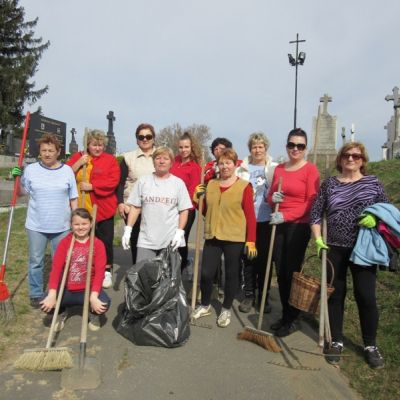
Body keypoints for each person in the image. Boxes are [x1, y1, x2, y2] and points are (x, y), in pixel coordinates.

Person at [310, 142, 389, 369]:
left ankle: (370, 346)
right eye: (347, 155)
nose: (351, 159)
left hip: (364, 248)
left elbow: (387, 211)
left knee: (365, 295)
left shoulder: (373, 183)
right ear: (340, 159)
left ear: (363, 159)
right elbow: (316, 213)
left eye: (356, 156)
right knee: (336, 295)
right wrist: (317, 239)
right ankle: (336, 341)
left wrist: (376, 219)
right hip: (334, 247)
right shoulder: (330, 184)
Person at [192, 148, 257, 328]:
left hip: (234, 237)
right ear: (217, 165)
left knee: (231, 275)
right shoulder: (211, 184)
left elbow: (250, 216)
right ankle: (205, 304)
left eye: (228, 162)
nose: (225, 166)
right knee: (206, 273)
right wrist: (197, 197)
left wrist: (251, 240)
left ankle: (226, 308)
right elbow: (205, 210)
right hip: (213, 234)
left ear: (235, 164)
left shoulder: (244, 186)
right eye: (221, 163)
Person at [12, 133, 78, 308]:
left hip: (62, 225)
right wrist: (16, 180)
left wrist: (75, 220)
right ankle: (35, 293)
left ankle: (57, 291)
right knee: (36, 260)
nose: (47, 153)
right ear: (39, 152)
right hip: (36, 225)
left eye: (51, 150)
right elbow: (20, 194)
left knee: (60, 261)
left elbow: (73, 198)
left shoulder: (67, 171)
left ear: (58, 152)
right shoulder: (31, 169)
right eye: (44, 150)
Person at [267, 128, 320, 337]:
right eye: (291, 145)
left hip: (298, 225)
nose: (295, 149)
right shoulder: (279, 169)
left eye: (300, 146)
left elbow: (311, 203)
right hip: (278, 223)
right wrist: (274, 199)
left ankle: (293, 317)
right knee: (280, 270)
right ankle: (286, 314)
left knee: (291, 270)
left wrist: (287, 216)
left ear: (305, 148)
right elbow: (270, 196)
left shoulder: (310, 170)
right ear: (287, 146)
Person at [40, 208, 110, 331]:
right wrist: (51, 294)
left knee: (104, 303)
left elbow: (100, 274)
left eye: (84, 224)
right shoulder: (65, 243)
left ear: (91, 224)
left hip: (88, 290)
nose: (80, 227)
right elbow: (56, 270)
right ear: (71, 225)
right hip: (67, 290)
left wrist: (94, 297)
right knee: (44, 303)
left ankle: (93, 314)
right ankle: (61, 312)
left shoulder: (98, 244)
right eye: (76, 224)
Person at [67, 129, 120, 289]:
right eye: (94, 145)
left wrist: (92, 186)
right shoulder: (79, 157)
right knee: (84, 240)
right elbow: (65, 174)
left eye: (100, 145)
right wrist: (78, 164)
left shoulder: (110, 160)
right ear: (88, 145)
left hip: (103, 208)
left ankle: (106, 270)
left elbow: (113, 181)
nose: (98, 148)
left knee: (105, 240)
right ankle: (86, 268)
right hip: (82, 208)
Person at [121, 146, 192, 262]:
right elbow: (135, 207)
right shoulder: (143, 181)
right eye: (158, 158)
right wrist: (128, 229)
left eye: (166, 158)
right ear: (153, 161)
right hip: (146, 240)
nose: (162, 161)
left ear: (171, 163)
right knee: (145, 276)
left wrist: (180, 232)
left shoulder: (178, 184)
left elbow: (184, 210)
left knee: (167, 278)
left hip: (170, 239)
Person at [236, 132, 277, 313]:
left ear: (265, 148)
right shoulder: (242, 169)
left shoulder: (274, 168)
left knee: (265, 260)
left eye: (260, 146)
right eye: (254, 146)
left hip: (267, 220)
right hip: (246, 221)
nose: (257, 149)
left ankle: (264, 297)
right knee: (249, 260)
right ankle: (249, 295)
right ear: (250, 149)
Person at [116, 123, 156, 264]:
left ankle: (152, 272)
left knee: (152, 241)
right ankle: (137, 271)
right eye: (141, 137)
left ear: (153, 138)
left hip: (154, 206)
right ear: (137, 139)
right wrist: (120, 203)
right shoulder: (128, 158)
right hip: (131, 206)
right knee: (135, 240)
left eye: (148, 136)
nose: (145, 139)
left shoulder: (160, 156)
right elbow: (120, 183)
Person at [170, 132, 202, 271]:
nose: (183, 150)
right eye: (181, 147)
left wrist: (181, 206)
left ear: (191, 148)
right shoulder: (174, 161)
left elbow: (192, 191)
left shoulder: (194, 167)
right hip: (169, 208)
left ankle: (181, 267)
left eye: (186, 147)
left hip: (185, 210)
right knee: (169, 240)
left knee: (180, 240)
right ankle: (170, 266)